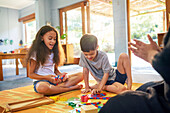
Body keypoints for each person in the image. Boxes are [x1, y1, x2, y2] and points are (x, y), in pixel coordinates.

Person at [99, 27, 170, 113]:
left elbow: (166, 64)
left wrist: (151, 54)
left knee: (116, 104)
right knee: (142, 89)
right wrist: (158, 53)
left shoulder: (103, 56)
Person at [26, 25, 83, 95]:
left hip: (55, 80)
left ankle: (56, 89)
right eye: (50, 39)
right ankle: (70, 88)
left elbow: (55, 70)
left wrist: (61, 75)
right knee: (42, 88)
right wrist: (46, 78)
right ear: (41, 38)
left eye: (54, 39)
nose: (53, 41)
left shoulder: (54, 52)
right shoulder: (35, 53)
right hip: (42, 81)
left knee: (81, 75)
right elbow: (31, 74)